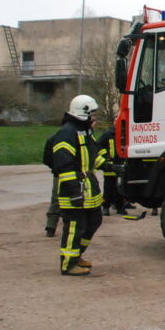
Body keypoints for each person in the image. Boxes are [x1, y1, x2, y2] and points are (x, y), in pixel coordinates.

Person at [49, 95, 107, 276]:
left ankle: (76, 255)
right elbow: (63, 166)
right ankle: (68, 264)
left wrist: (109, 166)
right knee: (75, 225)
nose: (95, 118)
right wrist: (75, 191)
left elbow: (92, 156)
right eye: (93, 114)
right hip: (73, 189)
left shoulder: (84, 131)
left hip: (87, 187)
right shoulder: (66, 134)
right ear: (84, 113)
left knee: (94, 220)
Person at [96, 127, 127, 215]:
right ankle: (106, 208)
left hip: (122, 164)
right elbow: (99, 145)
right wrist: (105, 156)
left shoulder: (125, 134)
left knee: (121, 187)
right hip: (110, 165)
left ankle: (120, 207)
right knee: (108, 187)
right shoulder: (107, 134)